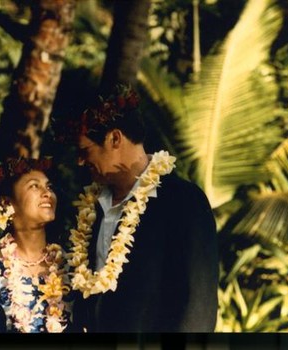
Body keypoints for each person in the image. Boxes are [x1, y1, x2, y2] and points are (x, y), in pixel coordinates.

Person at [55, 85, 218, 332]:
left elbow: (197, 308)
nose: (79, 160)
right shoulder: (91, 209)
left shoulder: (183, 202)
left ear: (115, 138)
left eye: (84, 150)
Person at [0, 157, 72, 333]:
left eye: (49, 187)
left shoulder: (71, 266)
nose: (47, 193)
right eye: (34, 186)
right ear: (7, 203)